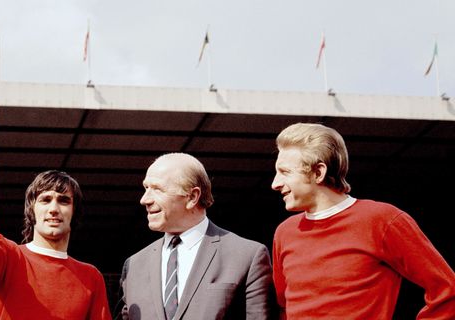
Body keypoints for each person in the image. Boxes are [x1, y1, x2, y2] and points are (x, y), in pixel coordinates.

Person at [271, 122, 455, 319]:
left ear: (318, 172)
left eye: (285, 172)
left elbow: (447, 290)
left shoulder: (382, 220)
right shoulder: (285, 232)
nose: (275, 184)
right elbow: (283, 307)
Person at [0, 116, 111, 320]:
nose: (54, 209)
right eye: (45, 200)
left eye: (64, 201)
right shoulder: (10, 257)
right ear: (32, 211)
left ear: (75, 211)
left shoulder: (91, 277)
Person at [117, 152, 275, 320]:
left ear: (192, 197)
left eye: (157, 189)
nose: (144, 200)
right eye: (146, 188)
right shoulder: (134, 265)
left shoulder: (247, 256)